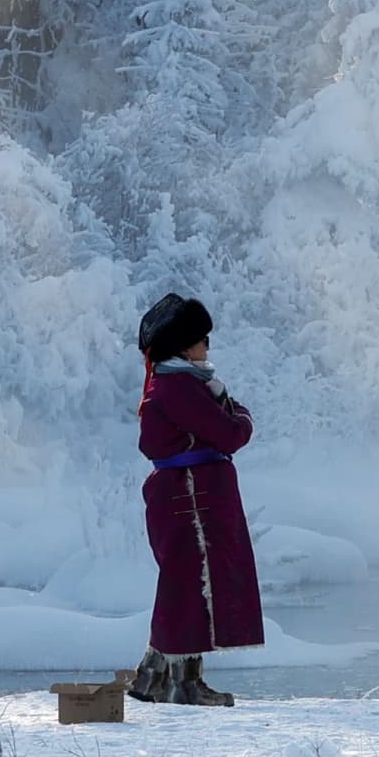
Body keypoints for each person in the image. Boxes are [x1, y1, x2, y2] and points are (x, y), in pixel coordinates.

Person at [132, 293, 261, 706]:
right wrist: (240, 416)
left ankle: (154, 676)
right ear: (184, 346)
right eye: (203, 338)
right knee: (193, 585)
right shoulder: (181, 388)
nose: (208, 345)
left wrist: (228, 410)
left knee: (182, 583)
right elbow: (231, 433)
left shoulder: (171, 385)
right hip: (193, 497)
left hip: (187, 495)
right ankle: (182, 684)